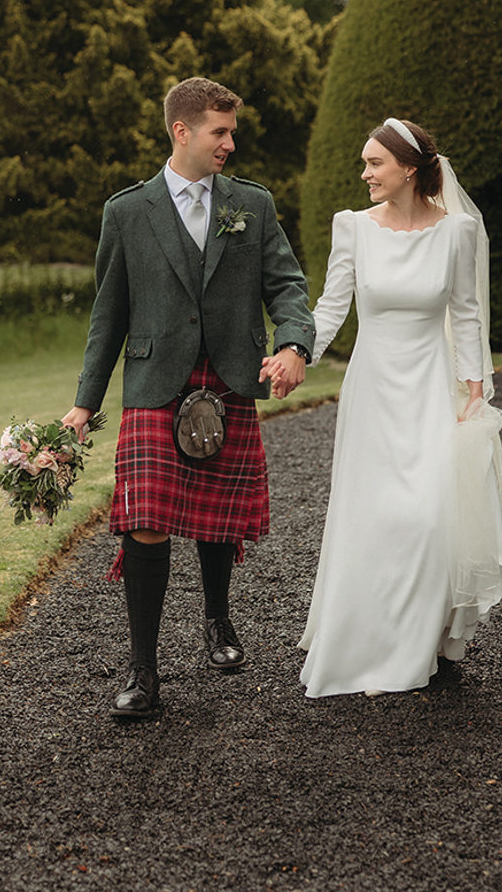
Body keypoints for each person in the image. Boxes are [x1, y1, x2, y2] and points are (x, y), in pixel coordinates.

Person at [62, 77, 314, 719]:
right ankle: (142, 671)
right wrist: (85, 403)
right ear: (182, 131)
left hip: (228, 377)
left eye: (231, 131)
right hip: (154, 383)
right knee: (144, 518)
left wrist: (294, 346)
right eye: (219, 131)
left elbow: (287, 286)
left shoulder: (252, 206)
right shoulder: (127, 211)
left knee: (217, 515)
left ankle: (217, 619)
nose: (230, 142)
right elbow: (107, 315)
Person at [298, 116, 502, 698]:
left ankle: (421, 643)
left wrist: (474, 386)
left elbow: (466, 313)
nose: (364, 173)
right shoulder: (353, 228)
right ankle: (362, 639)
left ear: (409, 170)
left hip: (430, 388)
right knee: (373, 515)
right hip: (372, 389)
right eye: (365, 163)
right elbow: (331, 307)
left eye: (375, 163)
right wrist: (297, 354)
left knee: (427, 515)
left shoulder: (457, 233)